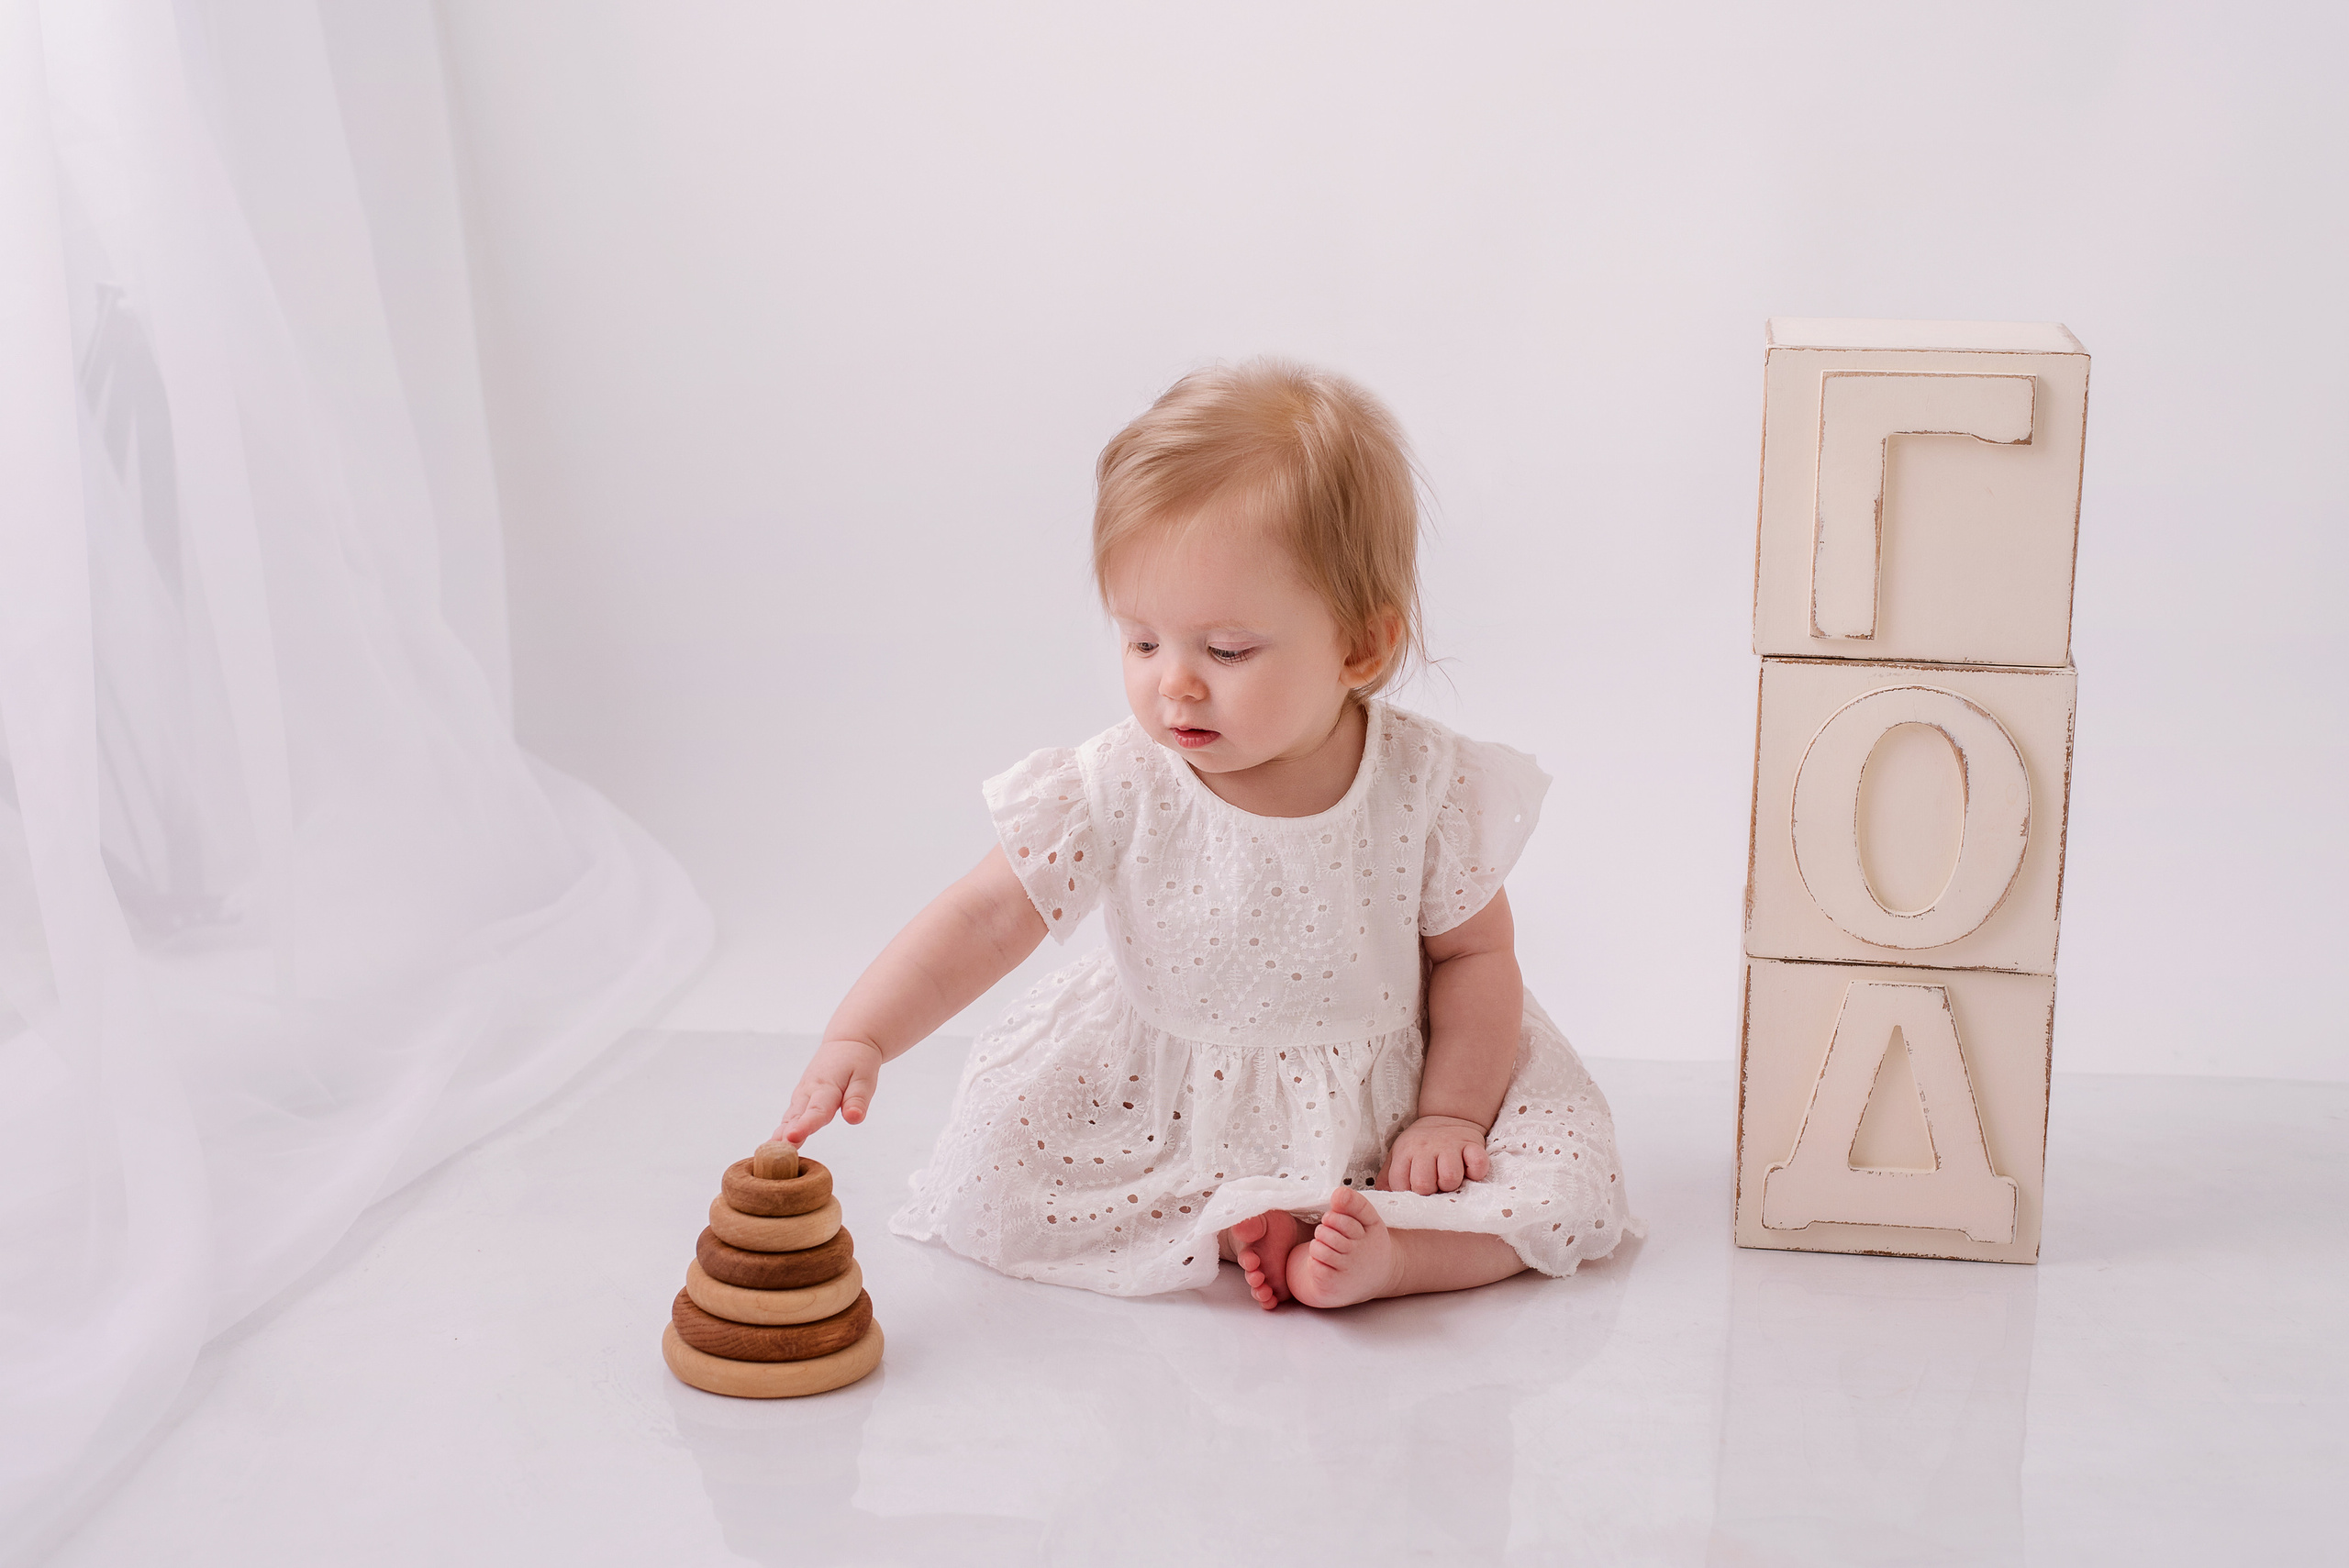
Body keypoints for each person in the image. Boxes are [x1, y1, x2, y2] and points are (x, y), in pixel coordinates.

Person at [775, 360, 1638, 1309]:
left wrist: (1447, 1114)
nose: (1173, 683)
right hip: (1173, 1103)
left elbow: (1476, 955)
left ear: (1359, 645)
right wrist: (863, 1031)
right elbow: (986, 917)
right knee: (1001, 1155)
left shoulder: (1423, 784)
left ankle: (1396, 1255)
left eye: (1224, 651)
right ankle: (1242, 1219)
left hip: (1388, 1096)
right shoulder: (1119, 782)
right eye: (1142, 640)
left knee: (1557, 1176)